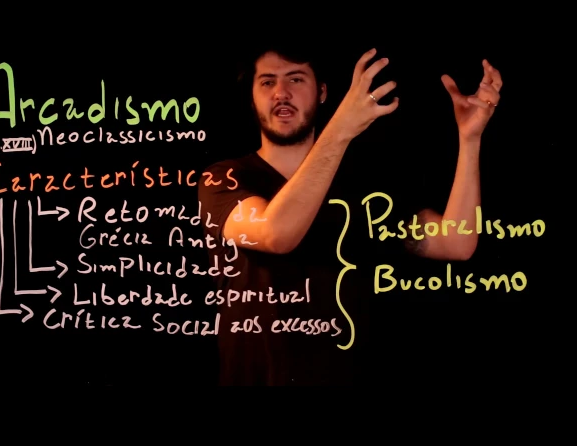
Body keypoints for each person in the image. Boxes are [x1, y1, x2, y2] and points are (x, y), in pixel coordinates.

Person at [197, 44, 503, 386]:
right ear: (252, 98)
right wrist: (341, 129)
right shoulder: (224, 178)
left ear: (322, 92)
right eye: (267, 82)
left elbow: (456, 242)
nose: (281, 92)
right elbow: (275, 233)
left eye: (296, 79)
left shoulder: (362, 185)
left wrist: (470, 140)